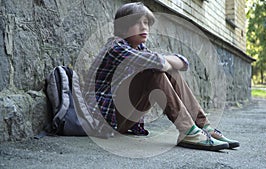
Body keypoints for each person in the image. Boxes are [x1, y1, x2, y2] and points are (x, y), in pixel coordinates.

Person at [93, 2, 239, 151]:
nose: (144, 27)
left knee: (168, 71)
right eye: (138, 22)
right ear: (123, 26)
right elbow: (159, 63)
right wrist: (165, 62)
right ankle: (188, 131)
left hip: (122, 118)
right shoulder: (116, 48)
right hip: (105, 121)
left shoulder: (139, 48)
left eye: (146, 23)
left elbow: (183, 63)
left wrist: (166, 63)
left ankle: (204, 126)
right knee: (153, 72)